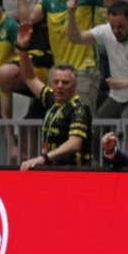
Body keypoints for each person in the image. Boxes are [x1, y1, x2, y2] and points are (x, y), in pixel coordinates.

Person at [14, 27, 93, 170]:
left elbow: (75, 143)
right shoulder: (52, 99)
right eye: (56, 82)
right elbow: (30, 78)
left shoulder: (79, 109)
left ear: (75, 85)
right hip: (53, 169)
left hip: (75, 172)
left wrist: (43, 158)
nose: (60, 86)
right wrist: (22, 49)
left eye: (65, 82)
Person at [65, 1, 128, 119]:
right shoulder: (106, 31)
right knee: (96, 128)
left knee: (126, 120)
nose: (116, 31)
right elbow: (76, 38)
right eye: (113, 27)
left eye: (120, 27)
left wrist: (124, 84)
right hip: (117, 97)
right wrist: (71, 13)